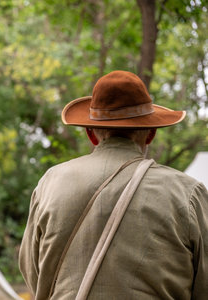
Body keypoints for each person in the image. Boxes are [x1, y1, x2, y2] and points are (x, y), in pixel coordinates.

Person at [19, 70, 208, 299]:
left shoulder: (50, 183)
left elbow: (33, 273)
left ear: (91, 134)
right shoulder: (187, 194)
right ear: (150, 134)